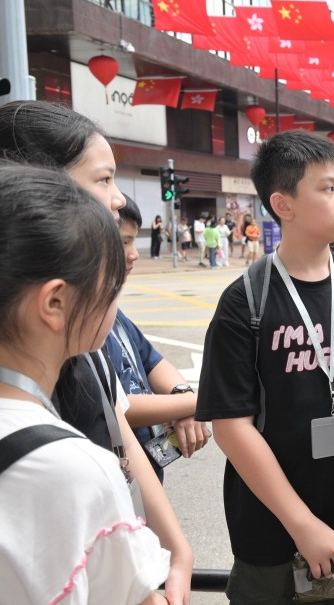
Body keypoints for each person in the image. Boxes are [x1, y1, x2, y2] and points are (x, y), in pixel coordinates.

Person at [196, 130, 334, 604]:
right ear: (284, 204)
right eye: (327, 188)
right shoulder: (245, 302)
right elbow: (231, 426)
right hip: (272, 537)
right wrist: (302, 525)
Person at [0, 100, 195, 603]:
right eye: (103, 179)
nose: (118, 198)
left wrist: (174, 548)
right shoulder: (70, 468)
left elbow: (120, 425)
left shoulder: (76, 341)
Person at [111, 194, 210, 481]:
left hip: (145, 468)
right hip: (120, 473)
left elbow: (153, 362)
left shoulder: (115, 313)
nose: (134, 253)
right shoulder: (83, 324)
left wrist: (182, 395)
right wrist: (197, 403)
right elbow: (120, 406)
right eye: (124, 242)